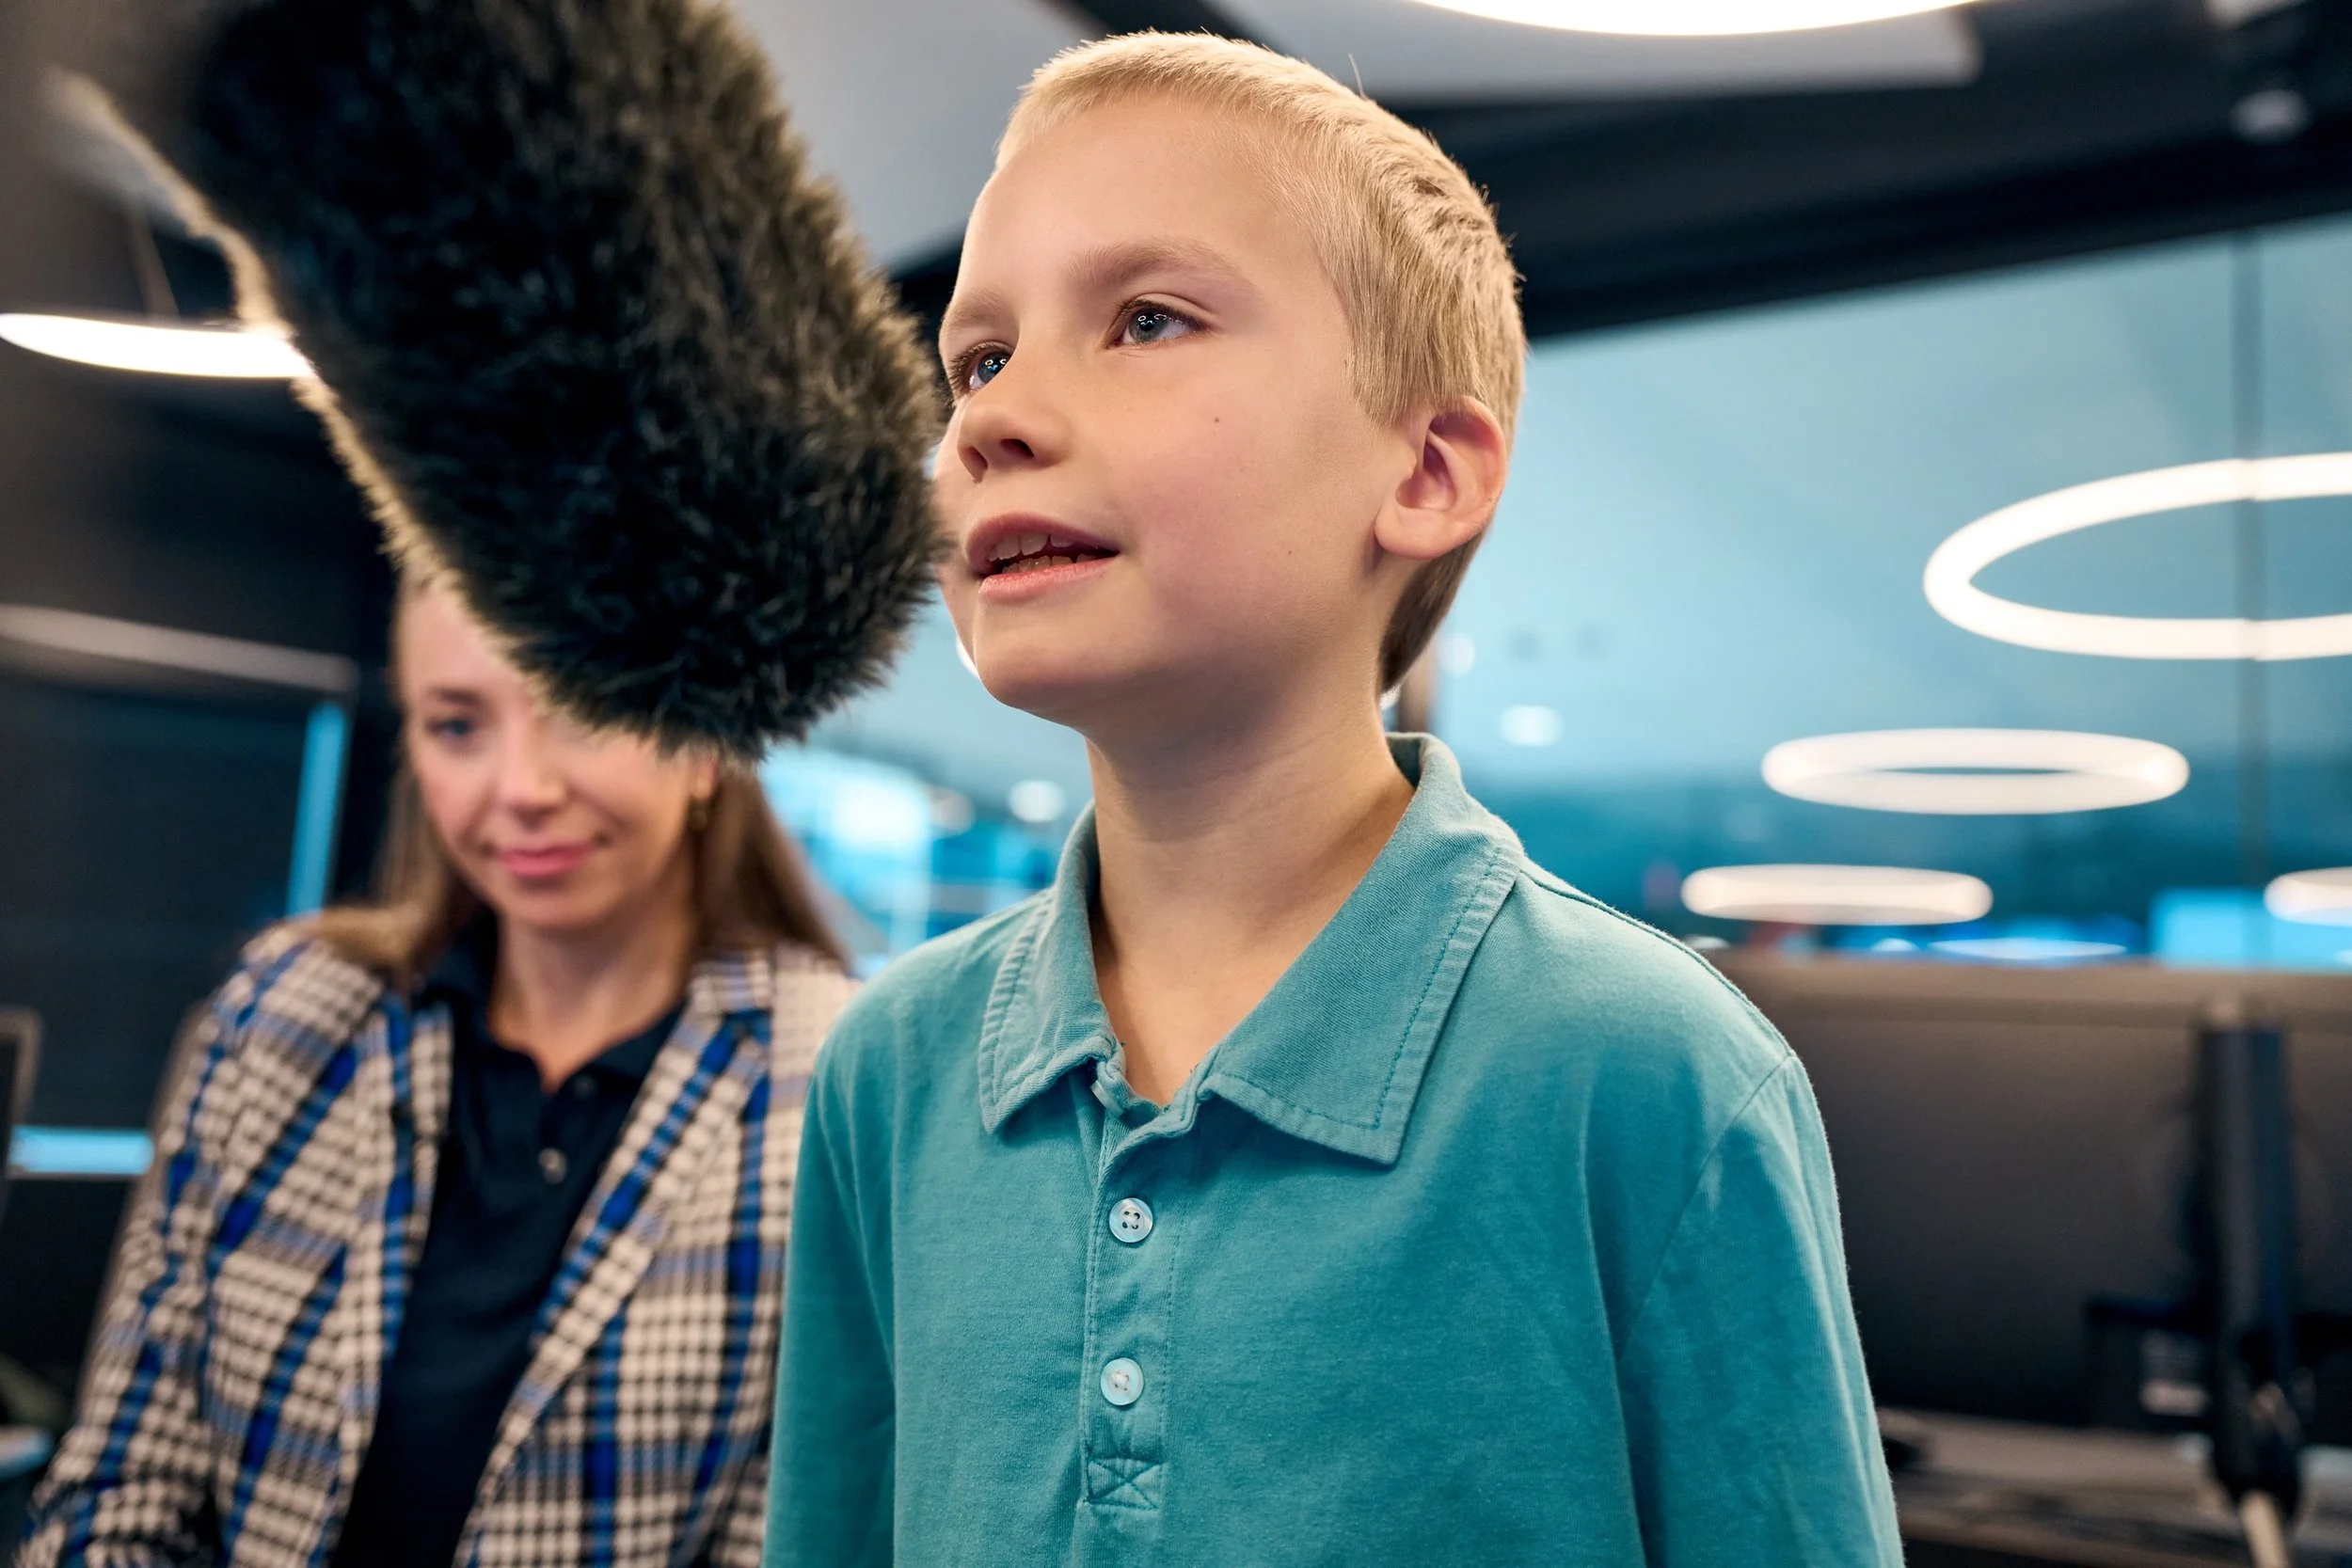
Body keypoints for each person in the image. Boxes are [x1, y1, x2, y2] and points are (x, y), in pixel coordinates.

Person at [767, 33, 1901, 1567]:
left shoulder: (1651, 1075)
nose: (988, 418)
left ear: (1428, 469)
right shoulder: (890, 1071)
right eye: (976, 357)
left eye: (1146, 319)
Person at [21, 572, 856, 1568]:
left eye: (582, 707)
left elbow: (784, 1541)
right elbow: (126, 1477)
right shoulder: (284, 1015)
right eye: (457, 725)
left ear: (710, 738)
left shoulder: (832, 1080)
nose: (521, 787)